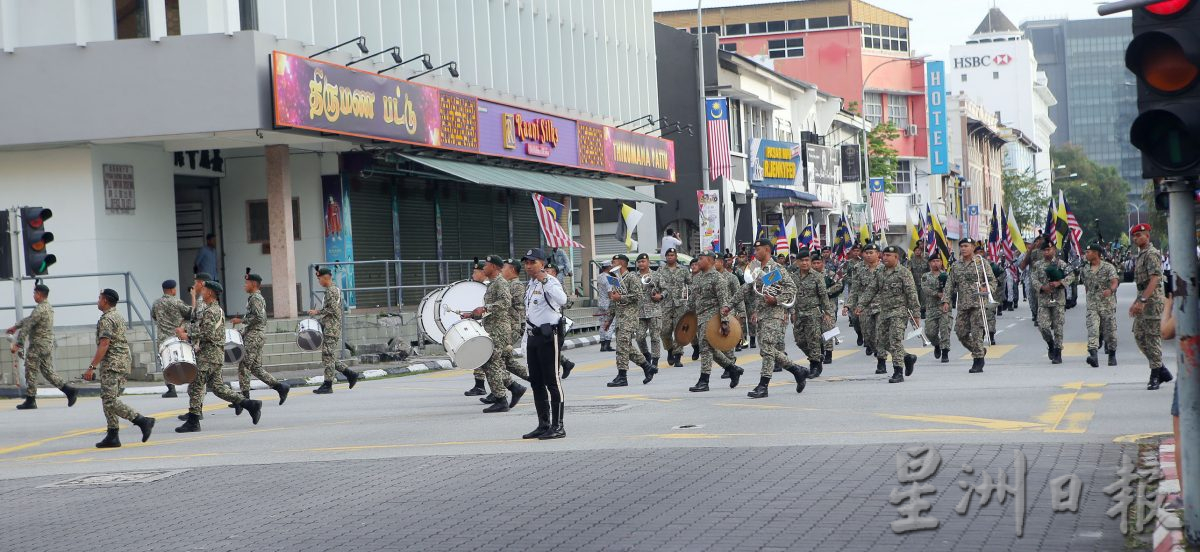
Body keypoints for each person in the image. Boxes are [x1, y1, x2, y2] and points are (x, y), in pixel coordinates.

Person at [174, 281, 262, 432]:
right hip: (214, 354)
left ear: (210, 293)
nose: (202, 290)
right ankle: (250, 405)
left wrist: (186, 335)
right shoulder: (214, 309)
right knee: (218, 388)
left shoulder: (211, 311)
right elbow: (206, 329)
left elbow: (208, 334)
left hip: (209, 355)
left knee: (196, 384)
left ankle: (193, 421)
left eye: (205, 289)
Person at [83, 289, 155, 447]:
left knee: (109, 400)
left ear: (105, 301)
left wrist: (91, 367)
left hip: (113, 364)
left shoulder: (107, 319)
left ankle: (142, 420)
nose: (97, 301)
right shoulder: (117, 315)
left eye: (99, 298)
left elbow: (104, 344)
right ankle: (112, 434)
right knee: (108, 398)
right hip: (122, 362)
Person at [519, 248, 569, 440]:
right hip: (533, 337)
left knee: (552, 381)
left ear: (542, 263)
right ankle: (543, 424)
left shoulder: (550, 281)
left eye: (532, 262)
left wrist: (545, 279)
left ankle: (558, 426)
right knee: (536, 382)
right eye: (526, 263)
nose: (528, 266)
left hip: (548, 337)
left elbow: (562, 300)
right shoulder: (530, 285)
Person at [748, 239, 808, 399]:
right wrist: (731, 305)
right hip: (761, 315)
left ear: (767, 250)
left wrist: (776, 300)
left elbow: (791, 288)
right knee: (766, 350)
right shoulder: (756, 268)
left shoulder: (775, 269)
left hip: (774, 314)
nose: (755, 252)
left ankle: (763, 385)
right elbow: (750, 288)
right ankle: (797, 370)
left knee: (767, 348)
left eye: (758, 249)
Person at [6, 284, 77, 410]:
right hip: (47, 344)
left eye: (34, 293)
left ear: (39, 294)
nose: (33, 296)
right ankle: (69, 391)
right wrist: (16, 326)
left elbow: (28, 326)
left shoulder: (39, 309)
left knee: (30, 370)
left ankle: (30, 400)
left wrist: (18, 344)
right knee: (47, 372)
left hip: (38, 345)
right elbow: (29, 320)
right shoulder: (48, 307)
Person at [472, 255, 527, 413]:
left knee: (492, 362)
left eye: (487, 265)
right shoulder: (494, 284)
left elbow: (505, 303)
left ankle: (502, 398)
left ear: (495, 267)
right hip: (492, 327)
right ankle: (511, 389)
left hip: (499, 329)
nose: (483, 268)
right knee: (489, 362)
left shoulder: (500, 283)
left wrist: (485, 308)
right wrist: (474, 314)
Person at [230, 273, 290, 404]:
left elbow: (258, 318)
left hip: (254, 336)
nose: (245, 286)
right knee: (255, 368)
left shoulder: (255, 298)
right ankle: (280, 387)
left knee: (244, 366)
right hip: (256, 335)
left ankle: (244, 399)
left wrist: (241, 320)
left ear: (253, 284)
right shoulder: (256, 297)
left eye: (247, 283)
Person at [687, 251, 741, 392]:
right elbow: (693, 300)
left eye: (701, 258)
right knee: (710, 349)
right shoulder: (697, 277)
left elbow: (723, 302)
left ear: (710, 260)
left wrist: (724, 322)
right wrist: (686, 317)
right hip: (700, 317)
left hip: (712, 317)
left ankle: (704, 380)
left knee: (705, 349)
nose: (698, 261)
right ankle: (733, 369)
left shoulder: (717, 278)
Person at [942, 238, 997, 373]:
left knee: (977, 332)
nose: (963, 249)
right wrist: (946, 301)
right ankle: (978, 350)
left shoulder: (981, 263)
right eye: (961, 246)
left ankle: (978, 361)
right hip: (963, 304)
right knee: (960, 333)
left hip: (978, 303)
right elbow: (950, 285)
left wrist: (987, 289)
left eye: (966, 246)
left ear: (973, 247)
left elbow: (992, 281)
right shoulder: (956, 266)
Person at [1130, 223, 1172, 390]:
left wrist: (1142, 300)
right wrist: (1137, 301)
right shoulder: (1141, 255)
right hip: (1143, 298)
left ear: (1147, 236)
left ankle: (1155, 375)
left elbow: (1154, 279)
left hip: (1152, 301)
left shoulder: (1152, 254)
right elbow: (1142, 283)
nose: (1136, 238)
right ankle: (1161, 369)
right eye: (1134, 236)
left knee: (1152, 338)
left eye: (1139, 235)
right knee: (1139, 335)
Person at [872, 246, 921, 383]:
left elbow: (912, 294)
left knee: (895, 340)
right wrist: (859, 305)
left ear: (896, 257)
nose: (885, 257)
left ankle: (898, 372)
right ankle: (907, 357)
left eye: (888, 255)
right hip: (884, 311)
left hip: (899, 312)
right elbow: (872, 289)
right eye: (884, 255)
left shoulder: (904, 273)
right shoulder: (880, 271)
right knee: (882, 342)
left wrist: (916, 315)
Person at [308, 267, 360, 394]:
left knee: (327, 356)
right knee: (328, 356)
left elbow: (332, 310)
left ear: (326, 278)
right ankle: (350, 374)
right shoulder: (332, 290)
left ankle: (328, 384)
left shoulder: (331, 291)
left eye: (320, 279)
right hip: (330, 327)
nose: (319, 282)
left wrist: (317, 312)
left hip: (332, 329)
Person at [607, 254, 656, 386]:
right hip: (619, 318)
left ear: (622, 264)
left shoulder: (632, 278)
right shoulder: (614, 278)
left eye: (614, 262)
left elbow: (639, 297)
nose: (611, 264)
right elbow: (613, 300)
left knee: (622, 346)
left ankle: (622, 376)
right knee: (625, 347)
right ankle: (647, 366)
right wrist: (609, 319)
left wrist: (621, 298)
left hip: (629, 318)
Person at [789, 248, 832, 378]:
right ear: (797, 262)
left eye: (807, 260)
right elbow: (790, 296)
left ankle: (815, 365)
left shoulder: (817, 276)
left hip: (813, 312)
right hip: (798, 313)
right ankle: (817, 357)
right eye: (802, 261)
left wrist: (827, 313)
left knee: (813, 340)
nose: (805, 263)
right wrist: (792, 311)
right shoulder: (793, 277)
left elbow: (823, 296)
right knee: (800, 340)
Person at [1032, 241, 1073, 364]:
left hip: (1058, 300)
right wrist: (1042, 287)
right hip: (1044, 300)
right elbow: (1033, 279)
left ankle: (1058, 351)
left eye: (1049, 249)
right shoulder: (1038, 265)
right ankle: (1050, 343)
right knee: (1043, 326)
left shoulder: (1061, 264)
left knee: (1058, 327)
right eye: (1044, 250)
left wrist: (1060, 283)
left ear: (1054, 250)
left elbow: (1072, 276)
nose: (1046, 252)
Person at [1080, 243, 1120, 367]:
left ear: (1097, 253)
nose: (1086, 254)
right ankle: (1093, 355)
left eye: (1089, 252)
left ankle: (1112, 354)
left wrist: (1111, 290)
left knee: (1111, 333)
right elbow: (1086, 286)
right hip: (1092, 305)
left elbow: (1115, 282)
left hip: (1107, 305)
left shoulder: (1108, 267)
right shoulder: (1085, 269)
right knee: (1093, 329)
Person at [849, 244, 886, 373]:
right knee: (868, 336)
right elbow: (854, 289)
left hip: (882, 306)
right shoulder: (858, 269)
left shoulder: (885, 268)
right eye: (867, 253)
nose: (869, 255)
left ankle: (881, 362)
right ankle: (876, 351)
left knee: (880, 334)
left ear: (878, 254)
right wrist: (849, 305)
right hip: (865, 307)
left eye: (872, 252)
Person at [151, 280, 191, 399]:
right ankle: (191, 383)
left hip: (163, 339)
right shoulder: (177, 302)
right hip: (177, 337)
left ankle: (171, 388)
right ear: (173, 289)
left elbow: (154, 316)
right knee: (184, 359)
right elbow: (190, 313)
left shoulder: (156, 303)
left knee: (166, 362)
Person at [658, 248, 690, 367]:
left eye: (672, 255)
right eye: (668, 255)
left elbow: (690, 283)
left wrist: (688, 294)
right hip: (665, 305)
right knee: (664, 331)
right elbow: (656, 285)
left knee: (679, 330)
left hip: (680, 305)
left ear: (676, 257)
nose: (670, 257)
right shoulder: (660, 270)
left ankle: (678, 357)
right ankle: (670, 349)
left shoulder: (683, 270)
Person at [463, 260, 490, 396]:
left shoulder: (487, 288)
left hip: (487, 326)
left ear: (483, 273)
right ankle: (480, 386)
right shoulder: (474, 288)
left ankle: (510, 387)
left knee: (488, 359)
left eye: (475, 272)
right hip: (478, 325)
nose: (473, 275)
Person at [633, 252, 664, 369]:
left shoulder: (656, 275)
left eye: (643, 261)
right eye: (639, 262)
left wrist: (660, 296)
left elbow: (665, 289)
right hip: (640, 312)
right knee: (639, 337)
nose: (641, 263)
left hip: (654, 311)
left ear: (648, 262)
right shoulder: (634, 277)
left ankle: (655, 362)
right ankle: (647, 355)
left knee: (655, 337)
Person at [921, 256, 952, 362]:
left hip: (944, 307)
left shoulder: (947, 275)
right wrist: (936, 294)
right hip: (931, 308)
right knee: (929, 332)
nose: (936, 263)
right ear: (930, 263)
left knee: (945, 330)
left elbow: (953, 288)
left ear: (941, 262)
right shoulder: (926, 276)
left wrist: (946, 295)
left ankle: (945, 352)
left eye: (938, 261)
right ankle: (937, 345)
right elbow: (924, 288)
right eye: (933, 261)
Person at [811, 251, 840, 365]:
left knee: (828, 329)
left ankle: (829, 353)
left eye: (818, 263)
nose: (816, 265)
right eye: (814, 263)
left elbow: (839, 284)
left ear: (822, 263)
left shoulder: (829, 274)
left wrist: (827, 292)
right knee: (816, 331)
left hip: (828, 305)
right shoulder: (810, 275)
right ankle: (820, 352)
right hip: (814, 306)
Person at [594, 261, 616, 352]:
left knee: (602, 324)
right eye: (611, 266)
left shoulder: (599, 277)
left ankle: (602, 345)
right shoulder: (609, 278)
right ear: (608, 268)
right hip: (608, 304)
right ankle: (607, 344)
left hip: (601, 303)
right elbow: (610, 293)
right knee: (611, 323)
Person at [908, 247, 928, 317]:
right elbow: (909, 270)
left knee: (923, 297)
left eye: (919, 250)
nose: (917, 252)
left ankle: (923, 311)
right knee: (916, 297)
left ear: (921, 251)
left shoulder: (925, 261)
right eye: (916, 250)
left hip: (924, 282)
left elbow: (929, 271)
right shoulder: (911, 261)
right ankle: (916, 312)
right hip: (915, 282)